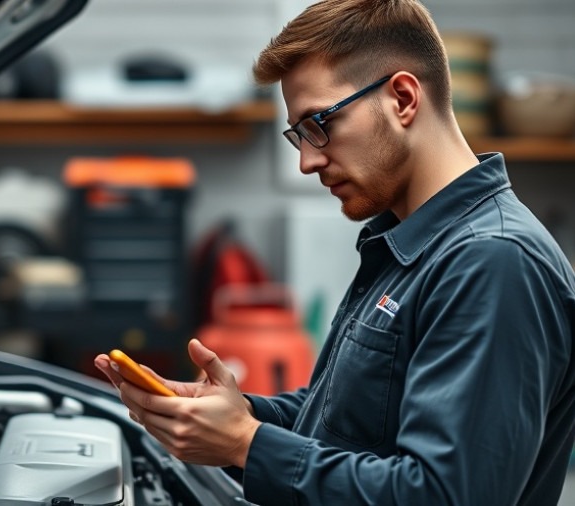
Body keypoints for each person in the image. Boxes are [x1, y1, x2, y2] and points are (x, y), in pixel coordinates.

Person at [95, 0, 575, 504]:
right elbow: (350, 421)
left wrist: (246, 444)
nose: (307, 160)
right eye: (298, 135)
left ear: (404, 98)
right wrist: (234, 416)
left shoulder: (492, 261)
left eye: (319, 124)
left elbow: (444, 494)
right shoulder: (408, 242)